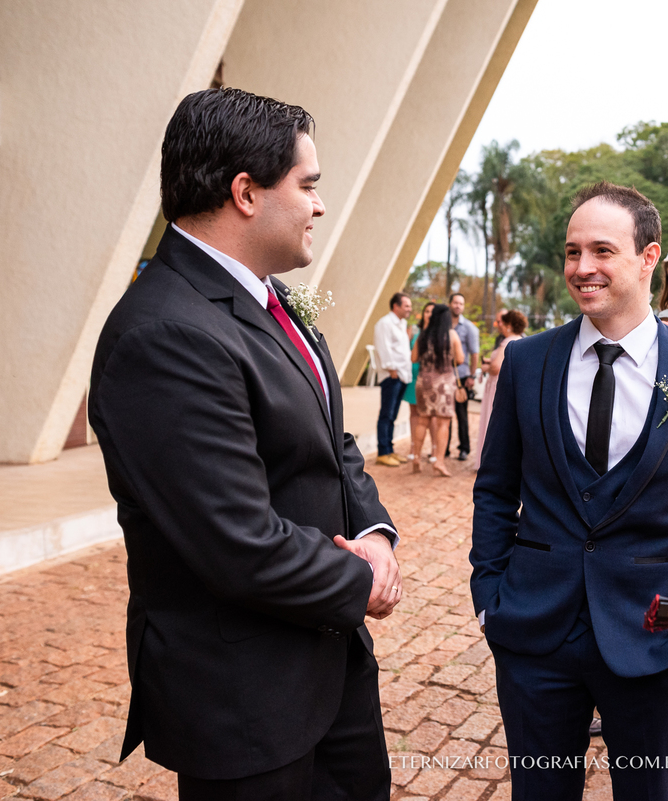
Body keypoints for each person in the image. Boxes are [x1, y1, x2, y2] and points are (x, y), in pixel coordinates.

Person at [88, 87, 400, 799]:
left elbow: (331, 437)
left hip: (331, 665)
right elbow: (236, 540)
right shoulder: (164, 334)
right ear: (246, 193)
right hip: (246, 698)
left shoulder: (272, 297)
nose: (320, 205)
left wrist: (375, 533)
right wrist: (363, 582)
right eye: (308, 185)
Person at [471, 181, 668, 801]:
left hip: (654, 639)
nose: (582, 268)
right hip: (533, 632)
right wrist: (490, 598)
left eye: (602, 251)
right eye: (572, 252)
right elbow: (494, 489)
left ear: (649, 257)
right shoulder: (526, 362)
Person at [412, 303, 464, 477]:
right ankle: (439, 461)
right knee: (443, 423)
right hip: (444, 383)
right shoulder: (451, 335)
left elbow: (413, 358)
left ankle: (416, 457)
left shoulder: (423, 335)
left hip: (424, 381)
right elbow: (460, 359)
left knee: (422, 420)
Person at [473, 308, 526, 471]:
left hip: (497, 387)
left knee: (492, 422)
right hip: (510, 386)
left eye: (502, 322)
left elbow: (496, 368)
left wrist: (486, 367)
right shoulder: (521, 340)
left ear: (509, 325)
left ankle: (489, 462)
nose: (499, 325)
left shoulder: (508, 342)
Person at [373, 291, 413, 466]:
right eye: (406, 306)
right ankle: (383, 452)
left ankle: (390, 450)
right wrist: (392, 369)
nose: (410, 309)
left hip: (402, 375)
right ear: (396, 306)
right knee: (386, 414)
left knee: (393, 415)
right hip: (392, 375)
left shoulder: (402, 323)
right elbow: (383, 347)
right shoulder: (385, 323)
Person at [447, 292, 480, 461]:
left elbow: (475, 354)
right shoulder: (444, 325)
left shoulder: (469, 328)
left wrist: (472, 376)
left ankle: (464, 449)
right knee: (445, 414)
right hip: (445, 377)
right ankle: (444, 449)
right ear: (450, 304)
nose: (458, 306)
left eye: (461, 303)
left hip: (462, 377)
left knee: (461, 414)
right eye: (455, 303)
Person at [403, 301, 435, 464]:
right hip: (414, 375)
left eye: (432, 312)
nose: (429, 314)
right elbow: (405, 350)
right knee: (414, 412)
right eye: (427, 311)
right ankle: (413, 447)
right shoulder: (414, 329)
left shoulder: (439, 332)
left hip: (430, 377)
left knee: (431, 415)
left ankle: (434, 449)